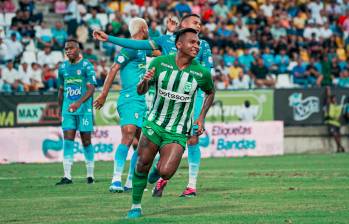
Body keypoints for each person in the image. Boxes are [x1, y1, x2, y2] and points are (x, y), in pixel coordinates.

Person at [93, 13, 214, 198]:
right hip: (160, 102)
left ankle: (190, 184)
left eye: (200, 23)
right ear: (183, 24)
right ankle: (144, 178)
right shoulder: (165, 40)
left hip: (187, 101)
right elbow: (137, 45)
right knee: (149, 143)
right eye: (195, 22)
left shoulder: (202, 46)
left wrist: (199, 115)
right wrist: (109, 38)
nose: (199, 26)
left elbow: (205, 79)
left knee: (192, 139)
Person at [126, 28, 215, 218]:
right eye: (192, 42)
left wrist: (200, 117)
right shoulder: (160, 63)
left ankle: (157, 171)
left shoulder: (201, 73)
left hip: (178, 130)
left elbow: (211, 92)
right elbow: (141, 90)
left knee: (165, 172)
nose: (196, 46)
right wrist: (144, 81)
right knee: (141, 164)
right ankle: (135, 206)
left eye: (198, 43)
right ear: (179, 45)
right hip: (154, 124)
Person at [93, 18, 149, 193]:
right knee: (128, 135)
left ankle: (130, 182)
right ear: (143, 28)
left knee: (141, 144)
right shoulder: (130, 48)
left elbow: (164, 50)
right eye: (147, 27)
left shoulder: (143, 49)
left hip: (142, 101)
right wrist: (103, 94)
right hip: (129, 99)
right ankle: (116, 179)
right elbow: (113, 69)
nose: (149, 30)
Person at [56, 39, 97, 185]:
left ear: (78, 49)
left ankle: (90, 175)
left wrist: (79, 102)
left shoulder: (86, 66)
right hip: (68, 110)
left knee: (86, 141)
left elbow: (91, 88)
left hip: (84, 110)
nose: (68, 51)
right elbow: (61, 90)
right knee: (68, 140)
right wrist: (60, 109)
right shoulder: (62, 68)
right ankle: (67, 176)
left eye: (71, 48)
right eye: (66, 49)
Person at [325, 87, 345, 153]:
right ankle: (341, 147)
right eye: (333, 98)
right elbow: (328, 97)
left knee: (338, 136)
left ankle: (338, 148)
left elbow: (339, 114)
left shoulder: (337, 106)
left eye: (335, 98)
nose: (334, 99)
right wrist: (328, 90)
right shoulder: (330, 104)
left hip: (337, 123)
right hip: (331, 122)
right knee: (334, 135)